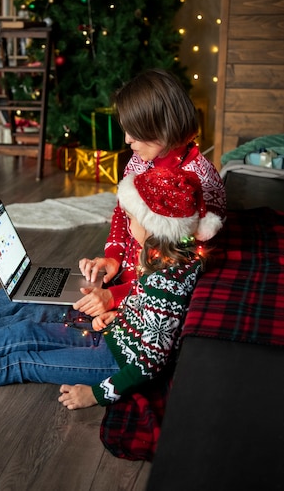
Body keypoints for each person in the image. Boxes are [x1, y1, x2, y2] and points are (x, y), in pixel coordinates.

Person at [0, 167, 210, 410]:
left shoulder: (167, 279)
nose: (126, 224)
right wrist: (118, 318)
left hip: (112, 361)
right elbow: (145, 316)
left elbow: (148, 361)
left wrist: (97, 395)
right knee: (24, 328)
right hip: (110, 334)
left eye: (133, 218)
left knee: (20, 361)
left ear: (153, 226)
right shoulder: (160, 260)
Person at [75, 68, 226, 319]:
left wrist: (118, 297)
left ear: (161, 125)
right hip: (125, 281)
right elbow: (121, 212)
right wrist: (113, 259)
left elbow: (180, 275)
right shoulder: (139, 161)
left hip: (147, 302)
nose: (127, 139)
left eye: (135, 130)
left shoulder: (200, 182)